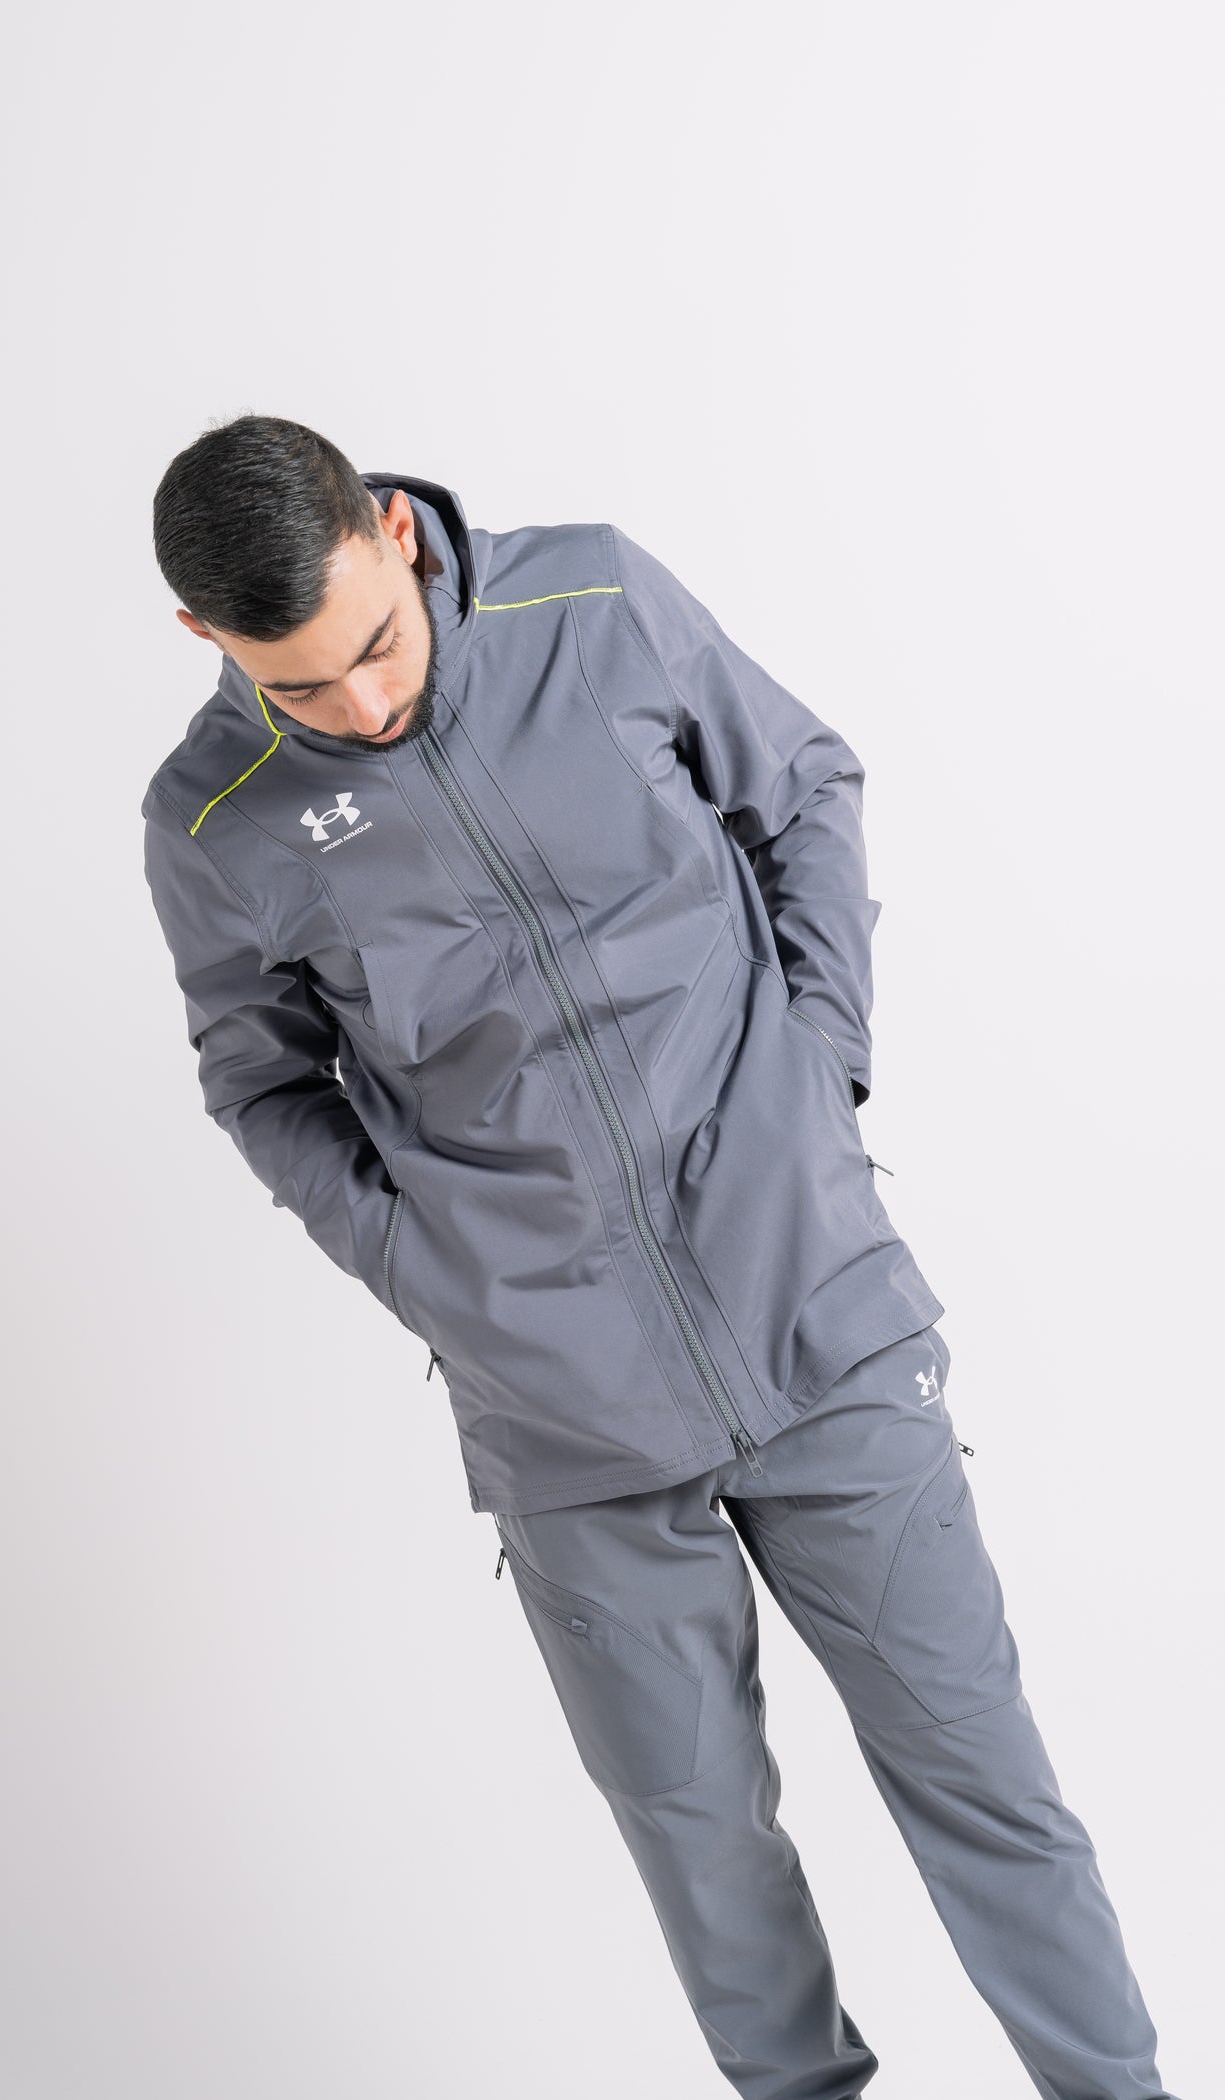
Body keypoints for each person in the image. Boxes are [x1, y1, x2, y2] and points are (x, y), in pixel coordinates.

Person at [141, 415, 1178, 2100]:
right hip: (565, 1425)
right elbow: (260, 1083)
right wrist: (431, 1272)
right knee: (705, 1856)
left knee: (983, 1782)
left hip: (813, 1313)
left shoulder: (595, 600)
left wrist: (818, 1075)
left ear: (394, 532)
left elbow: (806, 785)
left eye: (378, 647)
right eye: (301, 689)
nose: (366, 707)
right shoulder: (215, 820)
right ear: (207, 637)